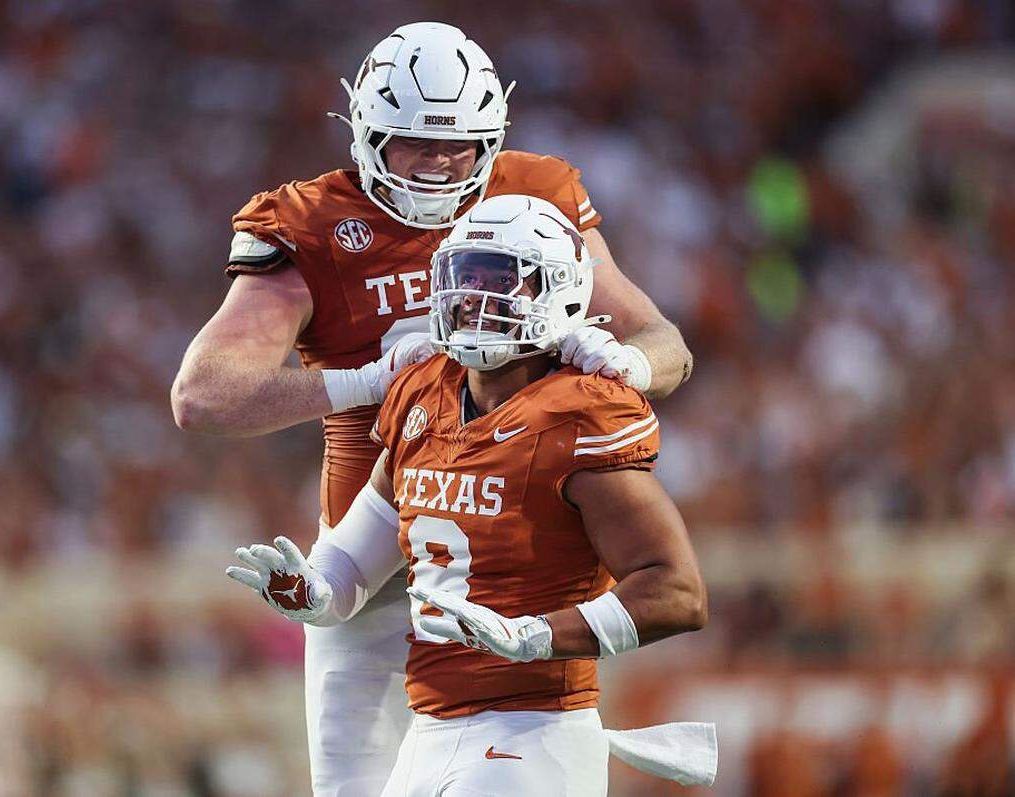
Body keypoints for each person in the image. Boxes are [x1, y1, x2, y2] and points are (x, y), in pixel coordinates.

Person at [173, 21, 694, 795]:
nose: (441, 165)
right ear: (366, 133)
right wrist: (362, 382)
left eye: (460, 146)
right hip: (375, 533)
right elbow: (203, 394)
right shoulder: (316, 223)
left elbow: (665, 344)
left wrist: (626, 362)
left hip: (516, 554)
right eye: (416, 144)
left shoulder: (535, 194)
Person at [226, 195, 712, 795]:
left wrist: (539, 636)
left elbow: (678, 591)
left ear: (557, 287)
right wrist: (311, 592)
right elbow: (355, 561)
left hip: (532, 731)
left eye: (499, 278)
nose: (474, 297)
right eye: (465, 276)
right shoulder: (422, 396)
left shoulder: (579, 412)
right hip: (428, 728)